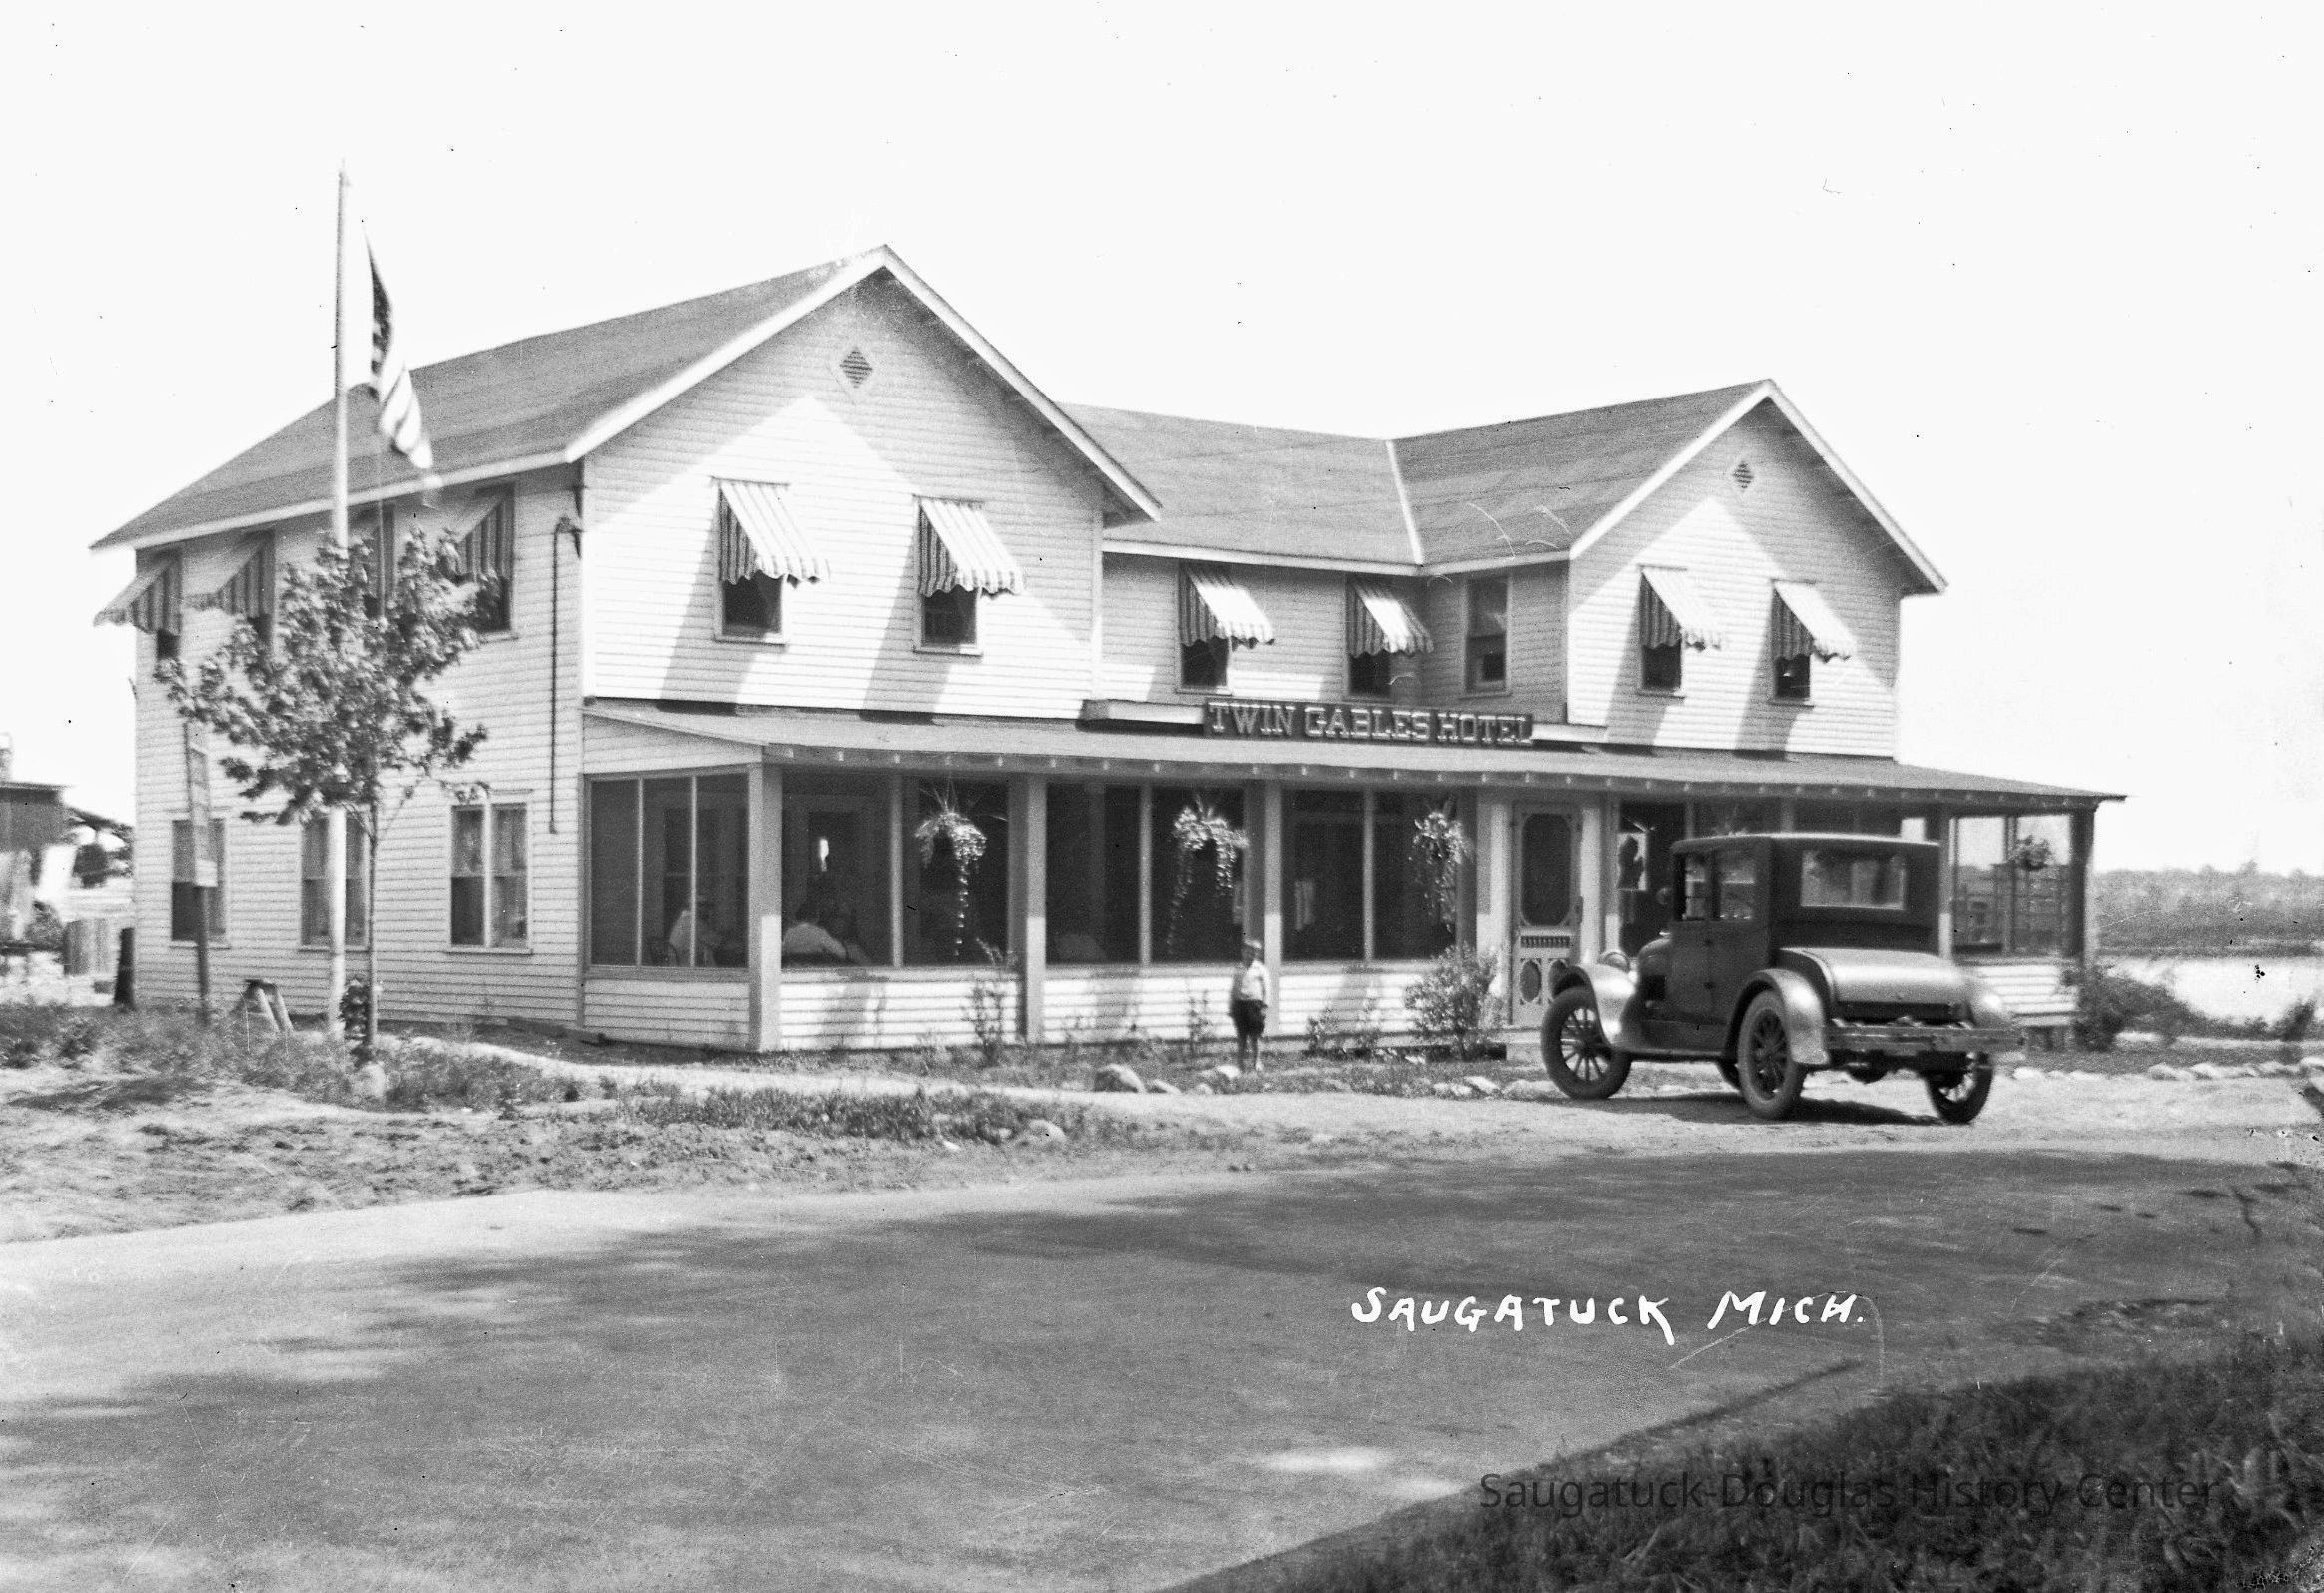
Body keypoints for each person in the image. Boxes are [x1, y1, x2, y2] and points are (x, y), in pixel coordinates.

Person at [1229, 939, 1269, 1069]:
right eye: (1248, 951)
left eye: (1255, 952)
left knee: (1256, 1036)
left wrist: (1265, 1006)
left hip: (1255, 1005)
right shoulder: (1238, 968)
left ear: (1258, 954)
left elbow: (1267, 989)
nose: (1251, 954)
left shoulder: (1261, 969)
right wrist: (1231, 1006)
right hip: (1240, 1005)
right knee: (1242, 1036)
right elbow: (1234, 989)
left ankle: (1257, 1061)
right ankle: (1240, 1063)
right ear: (1243, 952)